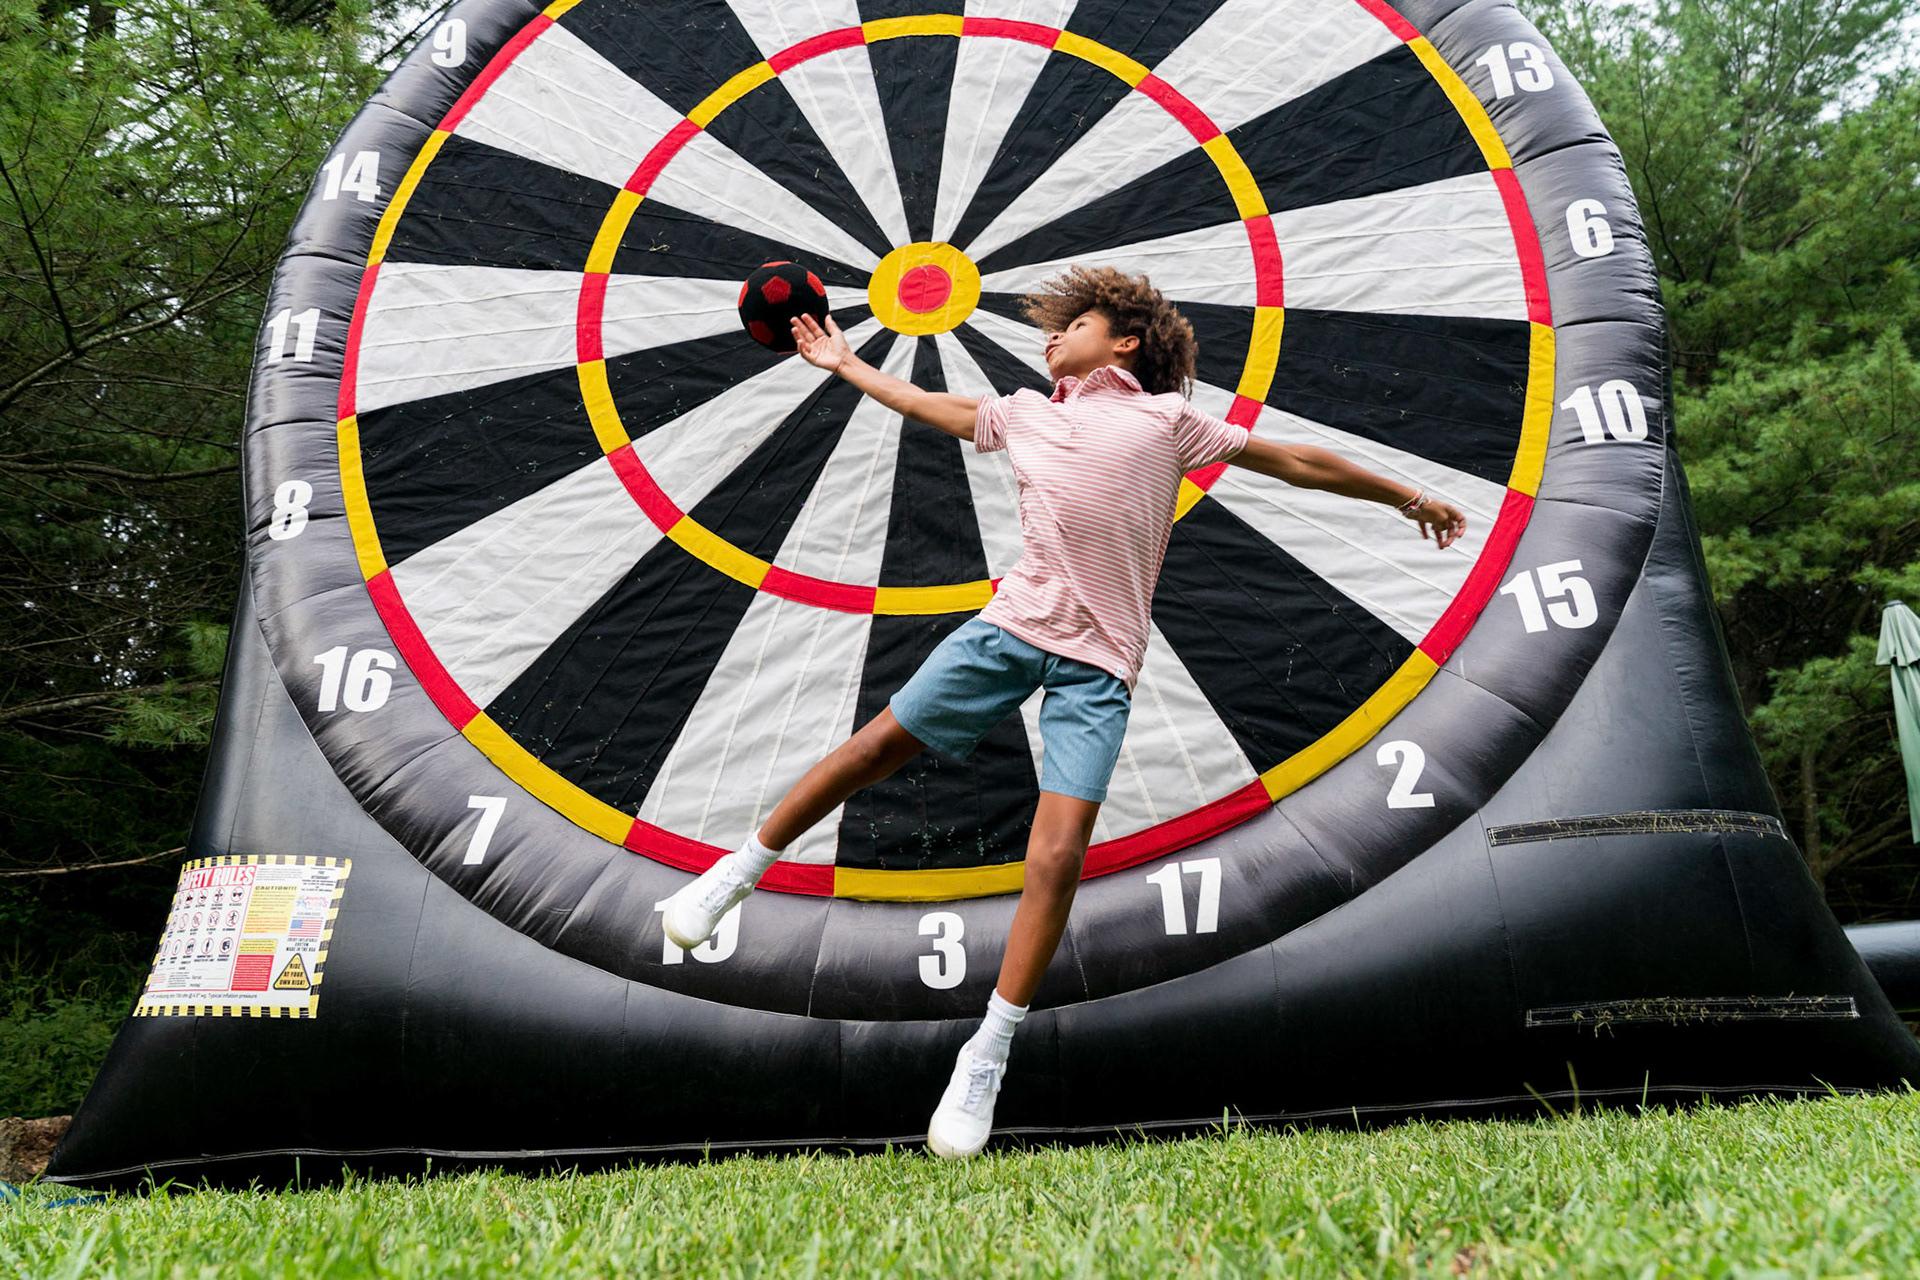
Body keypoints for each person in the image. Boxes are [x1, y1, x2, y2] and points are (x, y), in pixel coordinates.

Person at [660, 266, 1466, 1158]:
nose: (1050, 337)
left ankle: (988, 1053)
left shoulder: (1166, 421)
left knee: (1055, 855)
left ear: (1123, 341)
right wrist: (848, 365)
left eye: (1071, 323)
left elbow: (1297, 461)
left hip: (1101, 667)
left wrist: (1407, 495)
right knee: (874, 749)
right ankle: (738, 872)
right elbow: (933, 407)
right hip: (1009, 630)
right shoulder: (1028, 411)